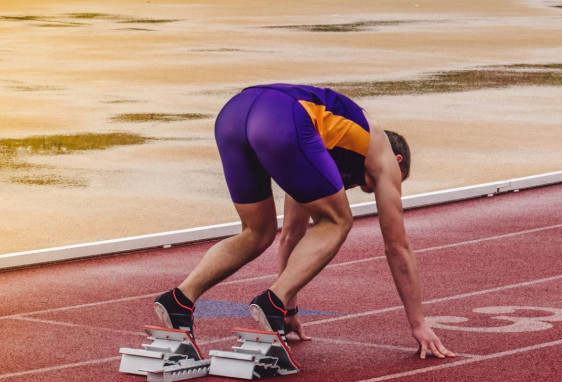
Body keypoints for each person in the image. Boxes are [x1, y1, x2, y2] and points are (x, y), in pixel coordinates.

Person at [152, 83, 455, 359]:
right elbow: (397, 246)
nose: (383, 190)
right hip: (280, 117)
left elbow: (292, 235)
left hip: (234, 115)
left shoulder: (317, 149)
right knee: (339, 220)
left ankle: (179, 300)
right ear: (398, 163)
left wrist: (290, 307)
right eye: (397, 182)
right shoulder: (382, 151)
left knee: (258, 231)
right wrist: (419, 324)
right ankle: (272, 303)